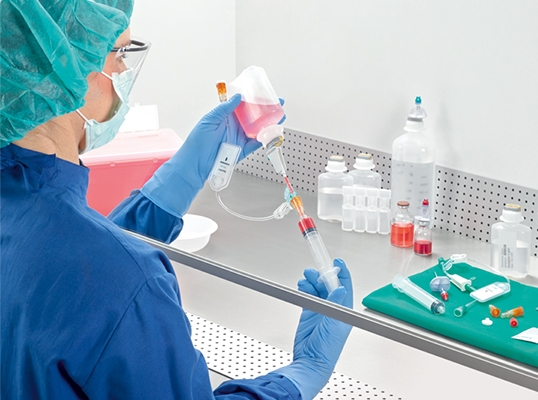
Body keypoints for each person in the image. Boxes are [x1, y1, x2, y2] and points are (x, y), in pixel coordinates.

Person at [0, 1, 353, 399]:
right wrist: (301, 376)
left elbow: (67, 269)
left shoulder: (25, 208)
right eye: (118, 54)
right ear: (65, 65)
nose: (122, 71)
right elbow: (104, 281)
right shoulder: (131, 285)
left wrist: (182, 176)